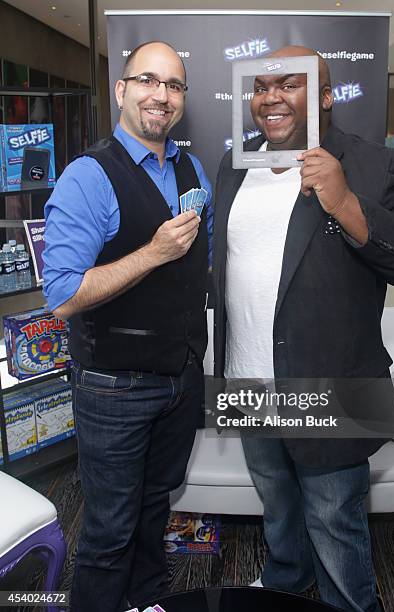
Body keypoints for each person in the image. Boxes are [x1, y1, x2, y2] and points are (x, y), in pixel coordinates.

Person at [212, 45, 394, 612]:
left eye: (289, 83)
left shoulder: (374, 165)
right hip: (246, 383)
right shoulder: (233, 165)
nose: (271, 95)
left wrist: (344, 201)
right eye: (262, 85)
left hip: (329, 387)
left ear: (324, 97)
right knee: (276, 501)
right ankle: (287, 579)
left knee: (335, 523)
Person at [43, 41, 212, 612]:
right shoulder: (87, 176)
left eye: (173, 85)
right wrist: (152, 252)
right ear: (121, 90)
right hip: (115, 390)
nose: (160, 95)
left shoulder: (189, 167)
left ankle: (145, 603)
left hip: (180, 381)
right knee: (109, 531)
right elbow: (63, 295)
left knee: (154, 511)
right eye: (147, 80)